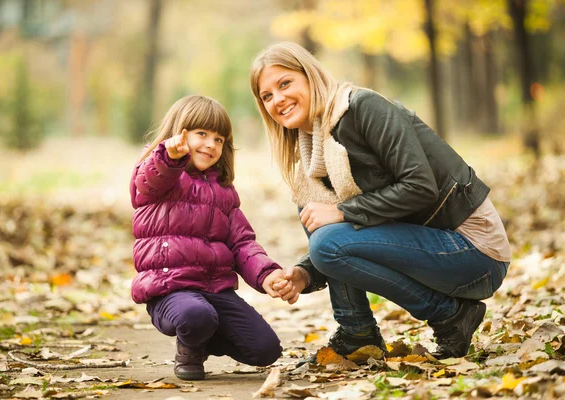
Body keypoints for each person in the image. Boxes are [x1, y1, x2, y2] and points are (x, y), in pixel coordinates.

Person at [250, 42, 511, 361]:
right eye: (267, 96)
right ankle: (357, 333)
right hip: (432, 246)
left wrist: (342, 211)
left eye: (285, 83)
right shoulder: (314, 149)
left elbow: (420, 186)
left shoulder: (362, 107)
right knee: (312, 208)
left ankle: (450, 315)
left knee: (326, 233)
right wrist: (305, 273)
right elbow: (350, 233)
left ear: (310, 76)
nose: (278, 99)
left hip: (474, 251)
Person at [130, 95, 293, 380]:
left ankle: (200, 336)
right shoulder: (161, 173)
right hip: (170, 288)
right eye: (202, 134)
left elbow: (242, 242)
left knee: (265, 350)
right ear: (178, 133)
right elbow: (147, 181)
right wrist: (169, 157)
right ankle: (191, 341)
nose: (210, 144)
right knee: (196, 315)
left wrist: (266, 274)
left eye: (219, 139)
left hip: (214, 290)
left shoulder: (224, 191)